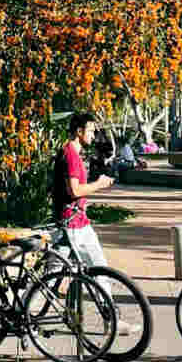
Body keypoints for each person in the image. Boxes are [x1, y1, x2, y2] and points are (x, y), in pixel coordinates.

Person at [51, 111, 136, 335]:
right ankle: (112, 321)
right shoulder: (70, 154)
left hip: (75, 221)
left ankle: (106, 319)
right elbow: (75, 189)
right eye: (90, 130)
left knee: (52, 277)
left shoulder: (72, 153)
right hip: (73, 226)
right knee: (98, 270)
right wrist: (99, 184)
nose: (93, 134)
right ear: (79, 132)